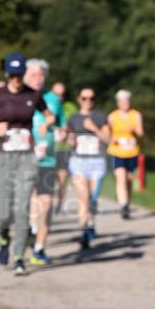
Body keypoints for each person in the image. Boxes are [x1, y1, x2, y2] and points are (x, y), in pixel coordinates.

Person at [0, 53, 53, 275]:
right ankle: (4, 237)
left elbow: (48, 115)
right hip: (1, 156)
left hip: (26, 155)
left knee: (23, 206)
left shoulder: (33, 95)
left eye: (20, 75)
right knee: (4, 210)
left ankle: (19, 256)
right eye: (13, 75)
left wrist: (46, 124)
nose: (17, 79)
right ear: (7, 74)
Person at [24, 59, 64, 265]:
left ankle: (39, 247)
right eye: (33, 75)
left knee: (46, 203)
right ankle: (29, 229)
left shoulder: (53, 99)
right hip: (23, 159)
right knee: (28, 202)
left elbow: (62, 124)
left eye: (41, 75)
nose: (38, 79)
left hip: (47, 159)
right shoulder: (18, 97)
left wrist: (62, 134)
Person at [67, 88, 110, 248]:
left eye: (91, 98)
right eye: (84, 98)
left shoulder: (100, 116)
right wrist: (67, 138)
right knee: (83, 198)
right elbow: (70, 139)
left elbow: (108, 139)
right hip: (78, 162)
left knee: (92, 199)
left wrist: (95, 129)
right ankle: (84, 231)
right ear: (79, 99)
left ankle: (90, 222)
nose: (88, 101)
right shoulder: (73, 118)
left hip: (96, 162)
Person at [107, 90, 143, 219]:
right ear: (118, 103)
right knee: (120, 177)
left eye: (126, 101)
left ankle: (126, 202)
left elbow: (141, 133)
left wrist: (134, 130)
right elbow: (107, 134)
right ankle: (123, 205)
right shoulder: (112, 116)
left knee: (129, 179)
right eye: (122, 101)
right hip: (116, 151)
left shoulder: (135, 115)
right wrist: (113, 139)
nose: (124, 103)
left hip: (132, 151)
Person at [51, 82, 78, 213]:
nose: (59, 97)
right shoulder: (45, 104)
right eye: (56, 94)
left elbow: (75, 126)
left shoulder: (70, 108)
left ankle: (59, 204)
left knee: (62, 177)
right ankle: (47, 202)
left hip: (64, 148)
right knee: (48, 177)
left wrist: (68, 134)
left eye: (62, 95)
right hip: (48, 148)